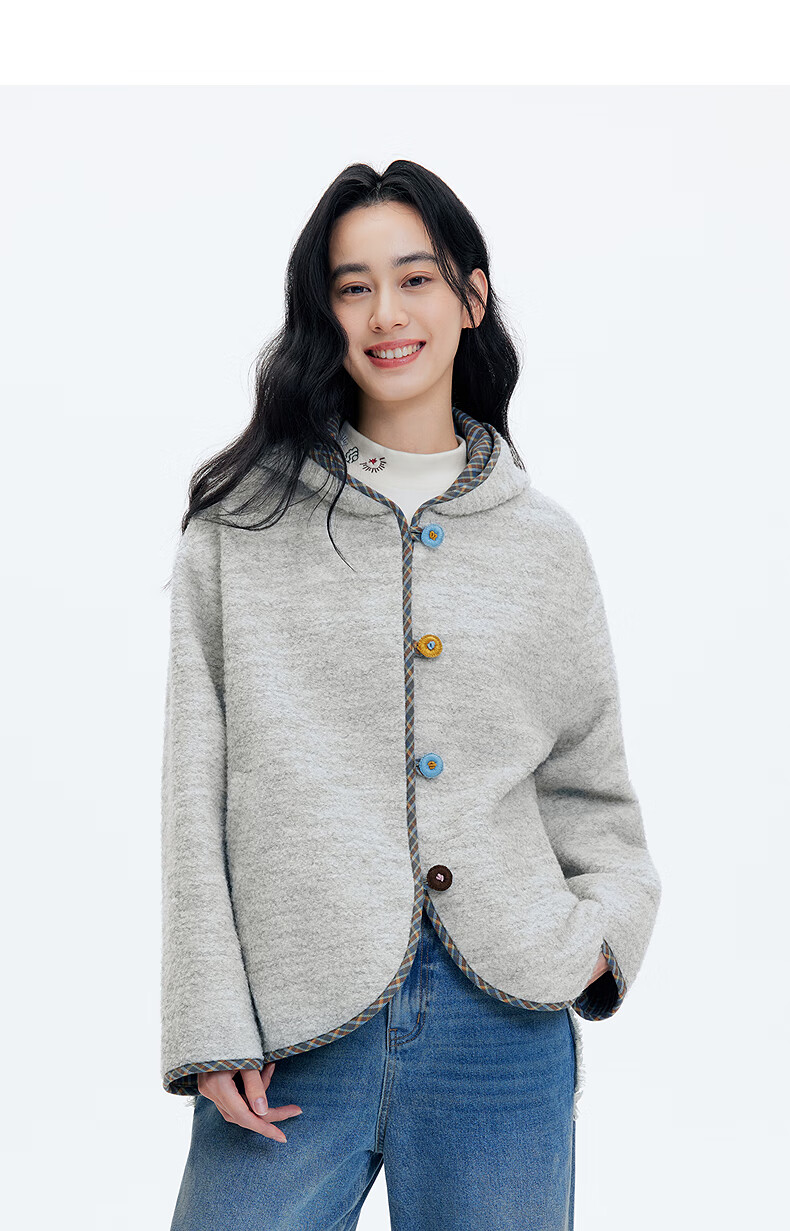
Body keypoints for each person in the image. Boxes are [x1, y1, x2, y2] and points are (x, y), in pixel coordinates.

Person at [160, 159, 662, 1230]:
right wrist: (208, 1022)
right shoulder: (239, 523)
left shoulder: (544, 543)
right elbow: (193, 791)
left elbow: (592, 790)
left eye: (415, 278)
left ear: (471, 298)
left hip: (502, 1028)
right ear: (324, 313)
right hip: (290, 1030)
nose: (385, 312)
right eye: (353, 287)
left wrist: (600, 939)